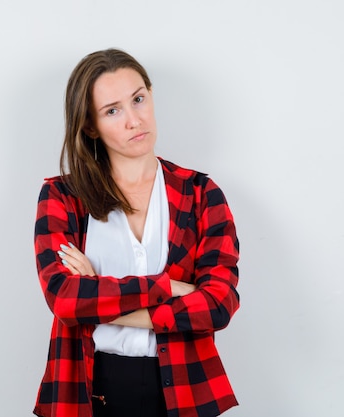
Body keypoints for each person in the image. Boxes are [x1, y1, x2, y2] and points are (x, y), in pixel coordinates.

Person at [32, 48, 240, 417]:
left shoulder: (200, 194)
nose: (134, 120)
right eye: (113, 110)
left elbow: (219, 305)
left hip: (185, 389)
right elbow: (64, 298)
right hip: (91, 389)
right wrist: (170, 288)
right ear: (90, 125)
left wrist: (97, 292)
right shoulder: (63, 197)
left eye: (138, 99)